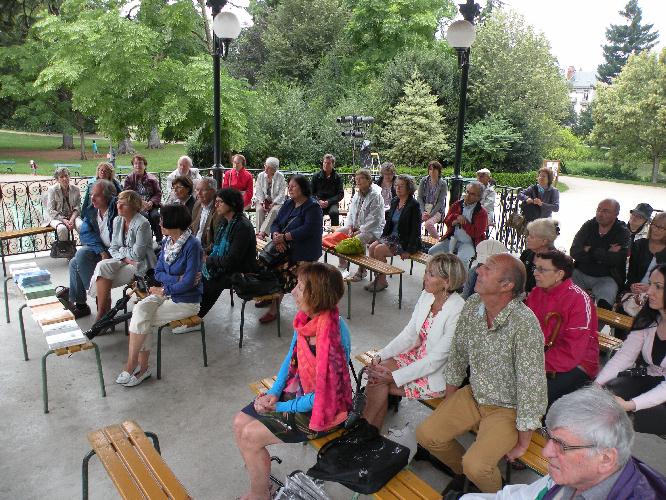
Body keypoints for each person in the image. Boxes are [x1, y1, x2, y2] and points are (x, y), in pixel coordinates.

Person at [416, 254, 547, 495]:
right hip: (474, 394)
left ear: (507, 286)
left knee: (477, 465)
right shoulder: (474, 304)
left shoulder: (525, 324)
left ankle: (495, 493)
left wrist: (523, 442)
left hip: (508, 408)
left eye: (489, 269)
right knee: (427, 436)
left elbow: (532, 387)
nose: (480, 270)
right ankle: (465, 476)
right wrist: (450, 399)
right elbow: (458, 354)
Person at [233, 262, 352, 500]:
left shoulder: (333, 339)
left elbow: (322, 397)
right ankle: (260, 478)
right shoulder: (306, 320)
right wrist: (274, 393)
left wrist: (280, 407)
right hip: (297, 393)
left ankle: (259, 494)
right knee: (239, 423)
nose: (293, 292)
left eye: (300, 287)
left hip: (323, 412)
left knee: (250, 436)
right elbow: (291, 359)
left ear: (316, 297)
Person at [461, 386, 666, 500]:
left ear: (605, 459)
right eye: (548, 437)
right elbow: (521, 497)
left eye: (561, 445)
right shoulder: (574, 474)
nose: (547, 451)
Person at [363, 254, 466, 429]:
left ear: (447, 282)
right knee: (376, 375)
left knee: (379, 380)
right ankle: (368, 433)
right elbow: (409, 334)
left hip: (436, 373)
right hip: (417, 356)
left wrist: (394, 376)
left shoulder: (458, 309)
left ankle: (366, 432)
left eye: (431, 274)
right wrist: (380, 356)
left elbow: (436, 360)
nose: (425, 277)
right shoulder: (427, 296)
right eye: (426, 271)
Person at [115, 204, 202, 388]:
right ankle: (136, 366)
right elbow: (158, 273)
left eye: (162, 220)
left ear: (173, 222)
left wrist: (166, 288)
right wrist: (174, 280)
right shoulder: (167, 243)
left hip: (186, 301)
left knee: (142, 318)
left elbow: (187, 284)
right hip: (166, 293)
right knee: (140, 308)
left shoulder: (193, 245)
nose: (159, 223)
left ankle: (137, 367)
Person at [596, 263, 666, 436]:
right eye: (650, 284)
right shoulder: (650, 318)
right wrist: (597, 385)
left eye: (658, 287)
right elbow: (624, 357)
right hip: (649, 379)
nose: (649, 291)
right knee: (602, 397)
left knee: (618, 416)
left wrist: (630, 404)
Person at [525, 250, 599, 406]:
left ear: (559, 274)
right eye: (535, 268)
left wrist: (532, 363)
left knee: (534, 397)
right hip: (542, 356)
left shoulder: (579, 300)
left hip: (578, 363)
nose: (536, 274)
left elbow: (573, 351)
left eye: (542, 270)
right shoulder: (537, 292)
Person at [258, 175, 323, 324]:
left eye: (293, 186)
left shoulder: (313, 207)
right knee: (264, 266)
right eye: (289, 186)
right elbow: (276, 223)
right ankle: (268, 296)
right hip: (284, 248)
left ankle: (274, 309)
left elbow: (309, 229)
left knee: (281, 274)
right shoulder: (288, 203)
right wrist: (276, 235)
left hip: (304, 253)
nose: (290, 188)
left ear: (303, 188)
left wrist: (285, 237)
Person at [88, 190, 157, 322]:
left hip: (141, 266)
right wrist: (125, 257)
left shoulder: (142, 223)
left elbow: (138, 255)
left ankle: (102, 315)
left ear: (134, 206)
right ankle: (104, 314)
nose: (118, 207)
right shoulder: (117, 220)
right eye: (118, 203)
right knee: (102, 267)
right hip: (126, 261)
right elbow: (113, 248)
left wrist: (122, 251)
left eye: (123, 204)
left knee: (103, 275)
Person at [59, 180, 118, 319]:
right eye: (91, 194)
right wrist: (101, 251)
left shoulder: (117, 209)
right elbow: (85, 232)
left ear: (108, 196)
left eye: (97, 195)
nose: (92, 198)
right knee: (75, 262)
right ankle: (82, 305)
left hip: (117, 251)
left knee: (81, 254)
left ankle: (99, 298)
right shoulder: (92, 210)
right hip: (103, 249)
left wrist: (105, 252)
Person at [198, 188, 257, 318]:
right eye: (216, 201)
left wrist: (209, 260)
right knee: (196, 272)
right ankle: (189, 309)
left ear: (232, 204)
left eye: (220, 202)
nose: (216, 205)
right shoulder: (226, 222)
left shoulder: (242, 226)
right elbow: (217, 245)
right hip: (227, 264)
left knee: (213, 279)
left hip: (242, 270)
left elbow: (232, 261)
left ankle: (196, 317)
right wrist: (203, 252)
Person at [570, 199, 631, 311]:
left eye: (606, 211)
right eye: (598, 209)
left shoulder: (622, 232)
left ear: (616, 214)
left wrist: (590, 249)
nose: (600, 213)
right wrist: (605, 253)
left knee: (605, 306)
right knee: (567, 299)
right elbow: (574, 251)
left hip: (607, 277)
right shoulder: (588, 226)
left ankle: (594, 328)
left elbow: (617, 259)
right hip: (580, 273)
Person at [365, 174, 421, 292]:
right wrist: (381, 238)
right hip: (391, 237)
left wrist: (408, 250)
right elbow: (389, 223)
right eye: (396, 185)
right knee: (371, 248)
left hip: (404, 240)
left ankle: (382, 281)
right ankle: (379, 278)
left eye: (401, 186)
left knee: (379, 250)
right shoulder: (395, 200)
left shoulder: (414, 205)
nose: (398, 188)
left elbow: (416, 230)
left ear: (409, 188)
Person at [336, 168, 385, 282]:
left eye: (361, 178)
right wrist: (349, 227)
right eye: (356, 179)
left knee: (358, 239)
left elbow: (375, 219)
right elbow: (351, 213)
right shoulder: (357, 194)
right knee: (338, 234)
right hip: (356, 227)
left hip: (373, 230)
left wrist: (359, 230)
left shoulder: (376, 196)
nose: (358, 181)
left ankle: (362, 270)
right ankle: (342, 267)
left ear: (369, 180)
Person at [428, 181, 487, 268]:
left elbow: (476, 233)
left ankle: (462, 281)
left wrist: (464, 222)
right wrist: (455, 218)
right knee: (432, 252)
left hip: (468, 243)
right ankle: (441, 275)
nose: (468, 195)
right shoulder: (457, 204)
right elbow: (446, 220)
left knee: (461, 261)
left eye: (472, 194)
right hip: (452, 239)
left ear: (479, 197)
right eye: (467, 192)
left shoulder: (481, 212)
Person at [621, 212, 666, 318]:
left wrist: (651, 288)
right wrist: (632, 286)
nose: (655, 229)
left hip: (659, 296)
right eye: (654, 225)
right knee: (622, 312)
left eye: (661, 228)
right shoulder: (639, 245)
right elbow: (631, 274)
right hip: (635, 292)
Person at [123, 154, 162, 242]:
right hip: (136, 207)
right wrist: (140, 202)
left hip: (151, 206)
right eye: (135, 163)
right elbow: (127, 194)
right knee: (144, 217)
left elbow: (158, 193)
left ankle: (160, 240)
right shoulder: (129, 179)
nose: (138, 165)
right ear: (133, 165)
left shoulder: (152, 178)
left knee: (155, 216)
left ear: (145, 165)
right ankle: (146, 241)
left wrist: (151, 202)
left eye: (140, 163)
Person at [519, 218, 559, 294]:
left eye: (531, 237)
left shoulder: (555, 262)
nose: (527, 239)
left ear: (544, 241)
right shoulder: (527, 253)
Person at [46, 167, 81, 242]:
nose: (64, 178)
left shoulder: (76, 189)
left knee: (81, 226)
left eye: (66, 176)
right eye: (61, 177)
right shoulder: (53, 190)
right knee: (62, 229)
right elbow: (50, 210)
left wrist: (71, 219)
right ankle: (64, 251)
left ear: (69, 176)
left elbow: (77, 207)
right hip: (56, 217)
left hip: (71, 216)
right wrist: (64, 220)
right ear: (57, 179)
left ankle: (86, 249)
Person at [254, 157, 287, 236]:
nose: (266, 168)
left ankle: (262, 233)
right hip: (263, 200)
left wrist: (274, 203)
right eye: (266, 166)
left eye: (269, 168)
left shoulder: (280, 177)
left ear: (274, 169)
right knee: (259, 210)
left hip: (277, 202)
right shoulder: (261, 175)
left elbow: (282, 194)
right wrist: (262, 202)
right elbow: (258, 191)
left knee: (274, 211)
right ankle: (258, 233)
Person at [417, 160, 448, 238]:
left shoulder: (443, 184)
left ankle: (438, 243)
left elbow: (440, 202)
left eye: (435, 169)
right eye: (430, 169)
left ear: (439, 171)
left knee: (428, 224)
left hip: (437, 211)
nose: (432, 171)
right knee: (412, 220)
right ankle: (415, 241)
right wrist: (423, 211)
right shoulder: (424, 181)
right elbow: (419, 197)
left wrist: (430, 215)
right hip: (424, 209)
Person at [312, 153, 344, 227]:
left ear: (333, 164)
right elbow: (311, 193)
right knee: (314, 212)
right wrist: (318, 201)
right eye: (325, 162)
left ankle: (334, 235)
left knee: (334, 213)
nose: (326, 165)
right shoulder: (316, 176)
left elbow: (340, 194)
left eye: (328, 163)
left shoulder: (338, 177)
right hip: (318, 202)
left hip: (332, 203)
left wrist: (329, 202)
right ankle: (316, 234)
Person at [189, 177, 219, 254]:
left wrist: (201, 252)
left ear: (213, 191)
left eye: (203, 190)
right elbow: (192, 228)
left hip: (208, 252)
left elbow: (217, 241)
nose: (198, 193)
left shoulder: (219, 210)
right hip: (194, 246)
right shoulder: (197, 204)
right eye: (197, 190)